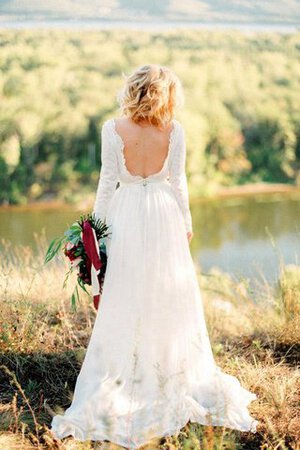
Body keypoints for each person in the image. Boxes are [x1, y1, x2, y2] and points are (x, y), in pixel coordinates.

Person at [51, 64, 258, 449]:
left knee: (127, 290)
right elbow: (178, 181)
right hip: (164, 213)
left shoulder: (112, 129)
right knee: (166, 293)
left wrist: (94, 231)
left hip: (125, 213)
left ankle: (130, 367)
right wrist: (187, 224)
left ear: (132, 90)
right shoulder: (174, 130)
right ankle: (165, 368)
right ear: (165, 94)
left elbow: (107, 181)